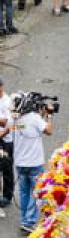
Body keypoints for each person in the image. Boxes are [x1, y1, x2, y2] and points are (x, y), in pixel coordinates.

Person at [8, 95, 53, 233]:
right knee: (36, 192)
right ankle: (29, 221)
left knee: (24, 192)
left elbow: (15, 129)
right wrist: (49, 116)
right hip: (34, 163)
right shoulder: (34, 118)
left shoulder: (15, 120)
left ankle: (24, 219)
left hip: (20, 164)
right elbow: (49, 131)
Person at [0, 77, 14, 209]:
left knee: (7, 168)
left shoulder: (7, 102)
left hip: (6, 140)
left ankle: (7, 196)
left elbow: (8, 125)